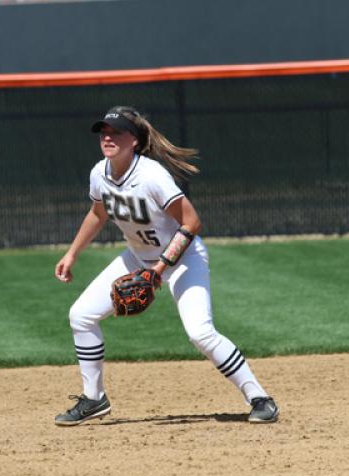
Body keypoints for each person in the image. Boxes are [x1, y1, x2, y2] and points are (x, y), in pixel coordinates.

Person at [54, 105, 279, 426]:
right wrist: (72, 253)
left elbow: (191, 222)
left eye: (116, 131)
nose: (107, 137)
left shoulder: (152, 176)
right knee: (81, 316)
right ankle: (93, 398)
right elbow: (97, 214)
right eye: (103, 131)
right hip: (137, 257)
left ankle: (260, 398)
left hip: (183, 259)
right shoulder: (98, 173)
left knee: (200, 333)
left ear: (134, 140)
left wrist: (158, 271)